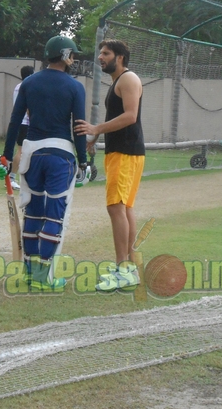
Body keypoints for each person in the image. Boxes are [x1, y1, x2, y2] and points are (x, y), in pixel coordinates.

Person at [0, 35, 88, 291]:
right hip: (60, 155)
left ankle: (29, 271)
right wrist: (83, 161)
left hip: (31, 153)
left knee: (34, 211)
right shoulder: (75, 87)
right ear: (65, 55)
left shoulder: (29, 83)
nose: (74, 59)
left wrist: (6, 156)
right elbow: (78, 127)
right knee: (55, 214)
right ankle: (44, 277)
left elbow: (16, 121)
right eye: (72, 55)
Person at [74, 39, 145, 292]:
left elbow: (130, 116)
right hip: (122, 152)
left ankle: (123, 269)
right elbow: (117, 117)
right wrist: (96, 137)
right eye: (100, 53)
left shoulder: (128, 79)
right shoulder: (118, 81)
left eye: (106, 53)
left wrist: (95, 128)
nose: (100, 57)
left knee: (116, 208)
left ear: (120, 57)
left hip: (126, 153)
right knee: (123, 208)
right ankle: (128, 269)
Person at [10, 65, 35, 190]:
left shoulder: (17, 87)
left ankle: (19, 177)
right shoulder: (29, 87)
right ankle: (12, 178)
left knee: (24, 151)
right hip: (26, 123)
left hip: (19, 122)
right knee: (21, 151)